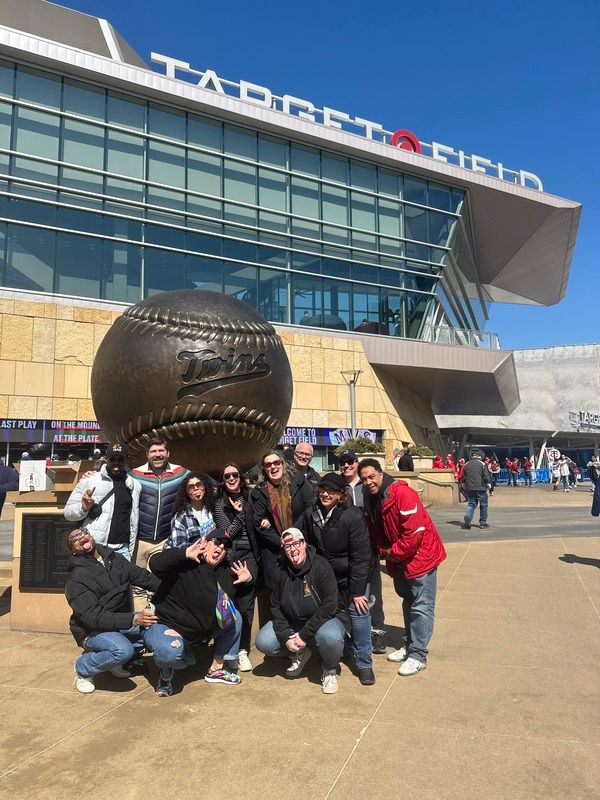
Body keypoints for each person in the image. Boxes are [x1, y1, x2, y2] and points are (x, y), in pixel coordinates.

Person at [358, 458, 446, 676]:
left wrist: (391, 553)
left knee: (421, 606)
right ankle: (410, 644)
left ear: (381, 473)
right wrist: (383, 550)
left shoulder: (402, 494)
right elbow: (375, 530)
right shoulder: (370, 499)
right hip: (400, 560)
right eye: (364, 479)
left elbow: (414, 533)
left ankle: (418, 655)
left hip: (420, 557)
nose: (368, 482)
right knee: (409, 602)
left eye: (371, 476)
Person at [148, 530, 252, 696]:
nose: (220, 548)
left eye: (225, 547)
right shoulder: (186, 560)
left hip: (196, 632)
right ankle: (166, 676)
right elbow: (154, 564)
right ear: (206, 542)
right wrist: (183, 553)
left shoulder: (224, 571)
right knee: (170, 653)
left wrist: (247, 582)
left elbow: (227, 605)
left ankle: (215, 669)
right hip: (166, 625)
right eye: (217, 542)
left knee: (234, 616)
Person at [297, 472, 376, 686]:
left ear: (341, 494)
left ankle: (364, 664)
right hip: (323, 580)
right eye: (322, 489)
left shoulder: (352, 516)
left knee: (359, 613)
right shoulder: (310, 514)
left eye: (331, 490)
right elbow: (299, 538)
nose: (325, 493)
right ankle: (340, 649)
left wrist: (358, 590)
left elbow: (361, 557)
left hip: (351, 578)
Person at [65, 527, 161, 694]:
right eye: (74, 540)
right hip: (91, 631)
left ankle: (112, 659)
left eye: (82, 533)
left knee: (156, 629)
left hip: (117, 624)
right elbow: (93, 617)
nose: (80, 539)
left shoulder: (113, 558)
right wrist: (133, 619)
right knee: (122, 650)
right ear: (73, 550)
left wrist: (170, 589)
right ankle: (84, 667)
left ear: (90, 535)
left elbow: (141, 576)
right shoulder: (77, 578)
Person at [255, 527, 347, 695]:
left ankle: (329, 669)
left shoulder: (321, 565)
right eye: (288, 546)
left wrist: (304, 635)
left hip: (324, 620)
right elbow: (275, 606)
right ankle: (301, 651)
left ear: (304, 544)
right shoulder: (280, 571)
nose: (293, 549)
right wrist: (285, 636)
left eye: (296, 543)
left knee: (331, 637)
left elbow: (330, 604)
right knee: (264, 641)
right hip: (293, 622)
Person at [130, 438, 189, 609]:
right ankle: (142, 623)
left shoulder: (180, 473)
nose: (157, 455)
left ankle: (158, 625)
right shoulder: (135, 474)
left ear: (167, 453)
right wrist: (95, 473)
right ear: (147, 454)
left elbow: (202, 482)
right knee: (138, 586)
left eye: (161, 451)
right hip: (140, 541)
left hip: (165, 540)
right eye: (153, 451)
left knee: (160, 584)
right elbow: (115, 484)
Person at [213, 462, 260, 672]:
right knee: (227, 606)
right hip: (230, 557)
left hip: (249, 554)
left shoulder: (251, 497)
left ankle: (242, 650)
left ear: (240, 477)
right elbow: (226, 534)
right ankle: (227, 649)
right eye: (227, 476)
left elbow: (258, 521)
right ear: (223, 481)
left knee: (246, 604)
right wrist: (240, 515)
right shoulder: (219, 503)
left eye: (234, 475)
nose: (231, 479)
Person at [250, 451, 315, 593]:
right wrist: (283, 542)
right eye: (268, 465)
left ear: (283, 465)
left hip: (301, 542)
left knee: (303, 589)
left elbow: (310, 507)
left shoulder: (298, 482)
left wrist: (294, 536)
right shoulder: (259, 491)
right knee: (279, 592)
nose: (273, 467)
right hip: (275, 550)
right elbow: (259, 522)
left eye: (276, 463)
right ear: (264, 469)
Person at [64, 443, 141, 559]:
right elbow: (68, 514)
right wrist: (83, 508)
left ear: (126, 460)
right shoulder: (89, 480)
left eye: (120, 459)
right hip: (94, 549)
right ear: (106, 459)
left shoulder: (135, 485)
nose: (116, 463)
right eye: (112, 459)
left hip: (122, 551)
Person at [163, 472, 216, 549]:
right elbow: (179, 547)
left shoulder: (212, 509)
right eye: (191, 487)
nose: (196, 488)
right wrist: (202, 547)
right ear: (186, 492)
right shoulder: (180, 517)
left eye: (199, 484)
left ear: (204, 487)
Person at [461, 450, 492, 530]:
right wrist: (489, 485)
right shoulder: (482, 464)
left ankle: (468, 516)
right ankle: (483, 523)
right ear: (480, 456)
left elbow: (463, 476)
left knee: (471, 504)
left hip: (469, 488)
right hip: (480, 487)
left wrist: (464, 485)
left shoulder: (467, 464)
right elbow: (486, 475)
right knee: (483, 505)